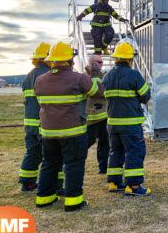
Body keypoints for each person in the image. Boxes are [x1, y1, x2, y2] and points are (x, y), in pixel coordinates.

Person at [34, 41, 103, 212]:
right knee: (74, 164)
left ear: (52, 61)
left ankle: (44, 198)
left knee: (49, 163)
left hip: (48, 133)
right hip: (73, 132)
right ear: (70, 60)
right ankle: (73, 201)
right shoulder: (79, 78)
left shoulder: (40, 80)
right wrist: (95, 75)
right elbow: (98, 92)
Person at [103, 41, 152, 196]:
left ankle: (114, 182)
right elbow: (145, 96)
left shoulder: (108, 75)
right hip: (130, 124)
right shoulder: (134, 75)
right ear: (130, 59)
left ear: (116, 58)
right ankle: (134, 186)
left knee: (115, 151)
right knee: (134, 152)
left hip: (112, 124)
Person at [19, 42, 52, 191]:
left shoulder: (28, 76)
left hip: (30, 124)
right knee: (51, 155)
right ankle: (54, 185)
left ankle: (27, 182)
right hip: (43, 123)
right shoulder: (47, 75)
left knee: (32, 152)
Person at [84, 55, 110, 174]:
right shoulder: (84, 77)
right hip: (91, 118)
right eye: (97, 62)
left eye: (101, 62)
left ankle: (103, 168)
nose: (100, 64)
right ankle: (75, 164)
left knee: (105, 144)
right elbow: (97, 92)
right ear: (90, 63)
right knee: (86, 143)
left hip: (104, 116)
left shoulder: (103, 75)